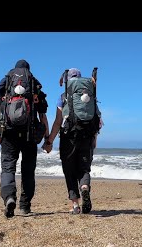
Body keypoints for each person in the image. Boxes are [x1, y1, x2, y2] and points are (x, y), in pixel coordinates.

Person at [0, 59, 49, 218]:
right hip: (30, 134)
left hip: (8, 133)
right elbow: (43, 116)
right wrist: (47, 139)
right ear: (28, 70)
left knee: (8, 167)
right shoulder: (35, 85)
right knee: (28, 171)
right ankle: (25, 206)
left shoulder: (5, 82)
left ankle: (9, 197)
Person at [43, 68, 101, 214]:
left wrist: (49, 141)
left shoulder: (63, 97)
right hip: (87, 136)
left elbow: (58, 122)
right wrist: (94, 139)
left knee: (69, 171)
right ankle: (84, 188)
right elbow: (97, 120)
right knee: (84, 168)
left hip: (68, 138)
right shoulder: (90, 96)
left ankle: (75, 205)